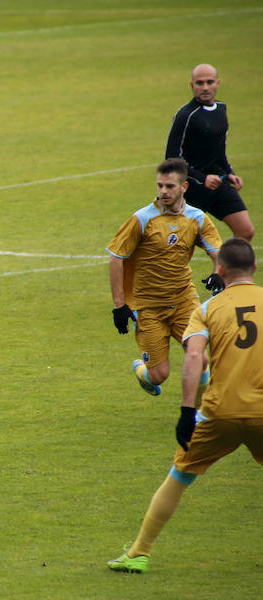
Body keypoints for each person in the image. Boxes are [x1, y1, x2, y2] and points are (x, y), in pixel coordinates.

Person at [108, 237, 263, 574]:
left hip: (219, 413)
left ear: (220, 270)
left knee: (179, 476)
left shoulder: (207, 309)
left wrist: (185, 412)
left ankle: (139, 553)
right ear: (254, 267)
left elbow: (194, 358)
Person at [107, 158, 222, 397]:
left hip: (184, 302)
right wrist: (119, 306)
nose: (163, 191)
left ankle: (197, 415)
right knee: (159, 375)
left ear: (184, 187)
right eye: (160, 185)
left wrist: (217, 272)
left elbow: (217, 251)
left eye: (169, 186)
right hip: (149, 307)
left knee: (200, 358)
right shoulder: (142, 219)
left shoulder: (197, 218)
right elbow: (116, 257)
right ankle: (142, 372)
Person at [165, 63, 253, 241]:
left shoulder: (221, 109)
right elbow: (172, 159)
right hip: (191, 189)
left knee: (245, 232)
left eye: (209, 82)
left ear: (217, 83)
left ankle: (221, 269)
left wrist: (229, 172)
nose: (205, 87)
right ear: (192, 85)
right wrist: (202, 178)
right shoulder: (185, 115)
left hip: (218, 183)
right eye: (199, 83)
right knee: (181, 243)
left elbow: (220, 149)